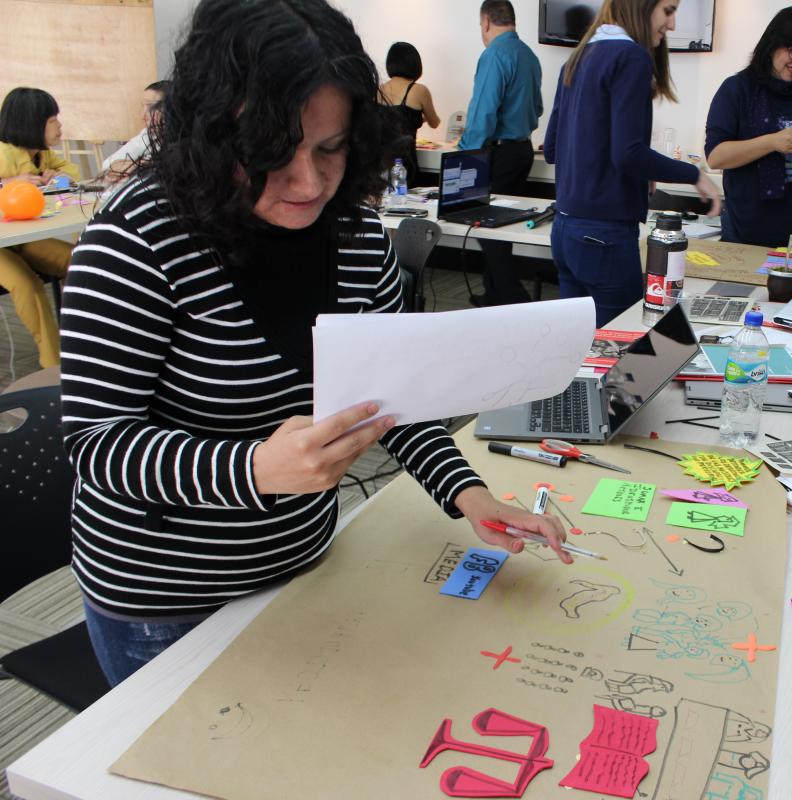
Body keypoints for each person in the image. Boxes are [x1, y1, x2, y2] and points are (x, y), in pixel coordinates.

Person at [59, 0, 571, 688]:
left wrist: (470, 496)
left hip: (301, 568)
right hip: (163, 601)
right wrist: (254, 471)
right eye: (270, 154)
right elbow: (99, 442)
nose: (308, 183)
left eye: (330, 149)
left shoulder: (357, 239)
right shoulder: (137, 240)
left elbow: (395, 399)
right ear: (214, 135)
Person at [544, 0, 721, 327]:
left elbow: (553, 148)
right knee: (624, 355)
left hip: (565, 231)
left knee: (577, 350)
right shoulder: (631, 57)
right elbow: (627, 154)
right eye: (668, 10)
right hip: (603, 236)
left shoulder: (577, 58)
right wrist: (694, 175)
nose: (672, 25)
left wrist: (637, 174)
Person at [704, 7, 792, 248]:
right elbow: (715, 156)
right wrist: (772, 142)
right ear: (773, 44)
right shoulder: (737, 90)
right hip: (748, 233)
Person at [460, 0, 543, 307]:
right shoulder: (529, 56)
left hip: (497, 154)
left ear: (485, 22)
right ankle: (494, 294)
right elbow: (537, 109)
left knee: (483, 227)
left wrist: (464, 158)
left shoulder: (494, 55)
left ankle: (515, 299)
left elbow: (482, 115)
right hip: (521, 151)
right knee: (500, 228)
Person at [0, 87, 79, 369]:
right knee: (27, 285)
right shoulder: (3, 154)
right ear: (30, 123)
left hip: (24, 238)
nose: (59, 126)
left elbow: (73, 172)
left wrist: (58, 176)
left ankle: (86, 341)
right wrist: (4, 185)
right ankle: (54, 365)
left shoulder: (42, 155)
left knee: (80, 262)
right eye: (52, 120)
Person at [379, 42, 439, 186]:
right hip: (406, 161)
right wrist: (419, 119)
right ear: (414, 64)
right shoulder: (419, 90)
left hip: (380, 161)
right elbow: (434, 122)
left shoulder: (378, 90)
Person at [100, 80, 170, 182]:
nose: (143, 116)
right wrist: (144, 164)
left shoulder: (186, 140)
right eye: (143, 106)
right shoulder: (147, 135)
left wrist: (136, 166)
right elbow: (107, 166)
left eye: (151, 106)